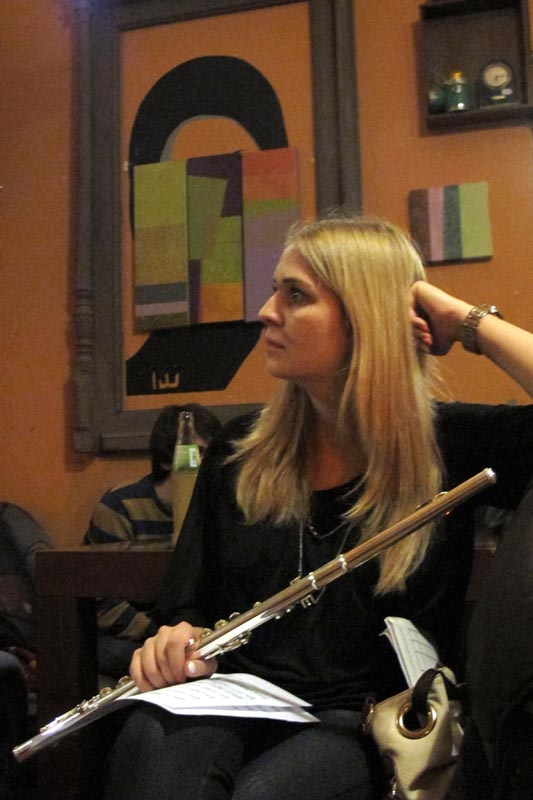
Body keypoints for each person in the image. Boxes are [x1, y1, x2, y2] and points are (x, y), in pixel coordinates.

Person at [103, 215, 533, 800]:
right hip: (231, 696)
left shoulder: (450, 445)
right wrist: (174, 641)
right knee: (150, 738)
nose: (266, 312)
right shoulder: (238, 449)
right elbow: (187, 607)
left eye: (296, 295)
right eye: (275, 290)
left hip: (366, 720)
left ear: (365, 318)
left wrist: (464, 321)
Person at [84, 403, 221, 678]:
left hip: (191, 633)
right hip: (131, 634)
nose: (205, 464)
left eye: (211, 454)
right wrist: (162, 637)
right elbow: (104, 601)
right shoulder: (121, 505)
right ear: (166, 459)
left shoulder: (219, 508)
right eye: (196, 453)